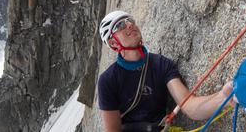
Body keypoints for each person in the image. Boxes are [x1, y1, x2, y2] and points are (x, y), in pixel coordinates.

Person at [98, 11, 234, 132]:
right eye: (120, 25)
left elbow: (189, 106)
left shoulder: (161, 64)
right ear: (113, 43)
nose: (129, 25)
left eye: (130, 21)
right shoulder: (108, 81)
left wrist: (224, 98)